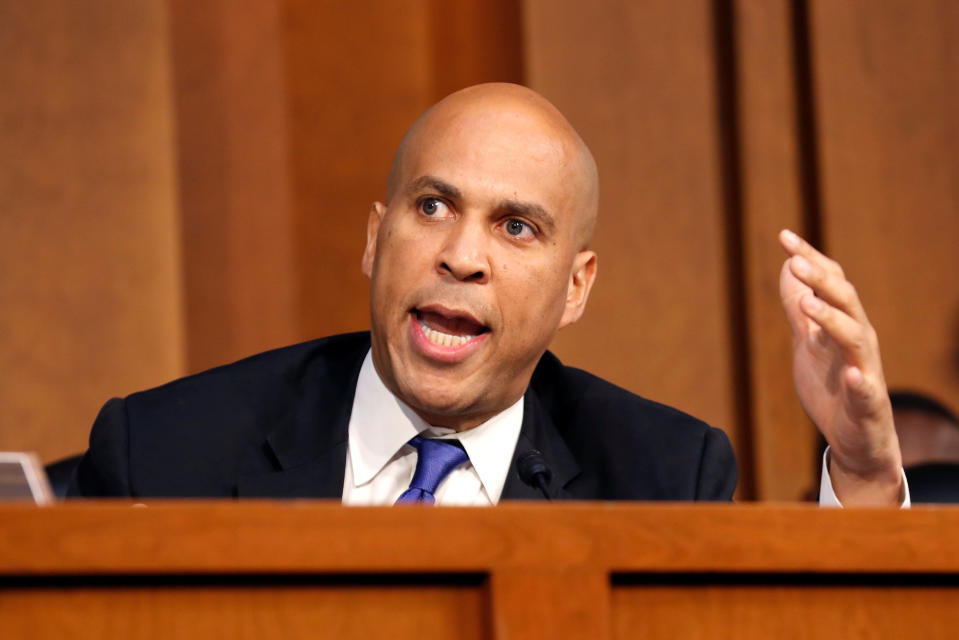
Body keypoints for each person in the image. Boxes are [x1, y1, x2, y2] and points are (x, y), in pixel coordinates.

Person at [68, 83, 906, 506]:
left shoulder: (658, 475)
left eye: (516, 228)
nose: (461, 255)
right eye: (431, 207)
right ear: (373, 238)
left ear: (576, 287)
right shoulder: (165, 454)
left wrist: (863, 474)